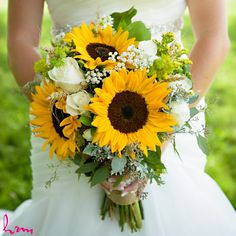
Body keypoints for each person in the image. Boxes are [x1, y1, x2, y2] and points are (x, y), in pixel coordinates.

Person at [1, 0, 236, 235]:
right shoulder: (64, 117)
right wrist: (65, 119)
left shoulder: (168, 119)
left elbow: (213, 36)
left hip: (168, 106)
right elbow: (19, 40)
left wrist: (161, 131)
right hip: (64, 112)